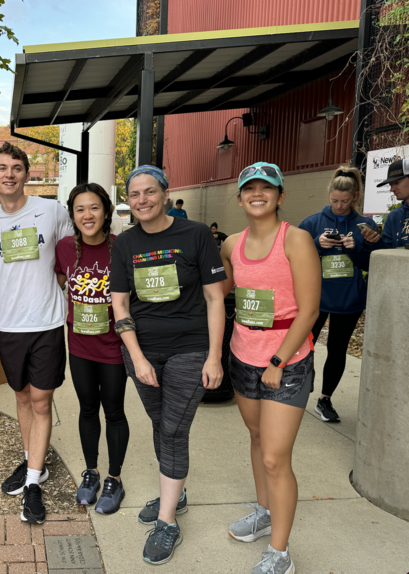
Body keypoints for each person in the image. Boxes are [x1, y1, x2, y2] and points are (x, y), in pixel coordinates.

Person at [110, 165, 225, 566]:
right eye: (135, 194)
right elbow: (120, 304)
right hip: (142, 351)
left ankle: (167, 522)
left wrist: (214, 356)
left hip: (190, 348)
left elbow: (215, 299)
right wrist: (137, 357)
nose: (142, 200)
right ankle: (174, 489)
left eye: (150, 192)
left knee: (174, 429)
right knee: (161, 423)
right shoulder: (124, 244)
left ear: (165, 194)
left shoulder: (195, 235)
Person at [220, 162, 320, 574]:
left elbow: (310, 309)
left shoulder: (295, 240)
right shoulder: (231, 244)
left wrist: (278, 360)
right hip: (243, 354)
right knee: (258, 437)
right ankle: (264, 512)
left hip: (287, 362)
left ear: (280, 195)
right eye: (249, 188)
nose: (257, 194)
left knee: (277, 457)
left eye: (266, 187)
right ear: (240, 197)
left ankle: (280, 553)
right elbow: (224, 290)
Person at [0, 142, 73, 524]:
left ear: (27, 174)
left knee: (40, 399)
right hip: (11, 324)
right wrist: (6, 282)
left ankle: (33, 482)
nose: (9, 174)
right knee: (20, 396)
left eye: (16, 168)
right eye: (2, 168)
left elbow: (70, 256)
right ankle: (35, 462)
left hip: (47, 322)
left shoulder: (52, 210)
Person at [54, 183, 129, 515]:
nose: (88, 215)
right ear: (72, 214)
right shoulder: (64, 248)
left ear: (107, 211)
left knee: (113, 410)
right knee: (87, 409)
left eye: (94, 208)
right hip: (80, 344)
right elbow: (60, 280)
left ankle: (114, 477)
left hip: (113, 345)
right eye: (80, 209)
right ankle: (92, 473)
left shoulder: (122, 247)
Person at [299, 166, 377, 422]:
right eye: (334, 201)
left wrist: (356, 249)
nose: (339, 206)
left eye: (344, 201)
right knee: (303, 345)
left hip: (349, 300)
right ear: (328, 196)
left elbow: (371, 264)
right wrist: (316, 245)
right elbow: (293, 259)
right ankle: (297, 388)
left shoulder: (365, 225)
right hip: (316, 298)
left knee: (337, 350)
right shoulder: (312, 223)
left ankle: (325, 399)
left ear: (354, 197)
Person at [361, 158, 409, 248]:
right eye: (390, 184)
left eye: (397, 183)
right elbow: (387, 251)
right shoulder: (393, 216)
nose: (392, 189)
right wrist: (373, 242)